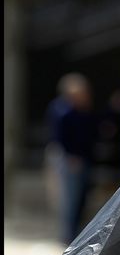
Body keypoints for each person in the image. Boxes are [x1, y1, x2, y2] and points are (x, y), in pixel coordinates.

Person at [45, 73, 97, 244]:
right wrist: (70, 157)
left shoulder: (83, 109)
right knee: (69, 199)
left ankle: (76, 234)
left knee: (82, 198)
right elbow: (59, 137)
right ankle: (68, 237)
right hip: (68, 159)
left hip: (83, 158)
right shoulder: (62, 110)